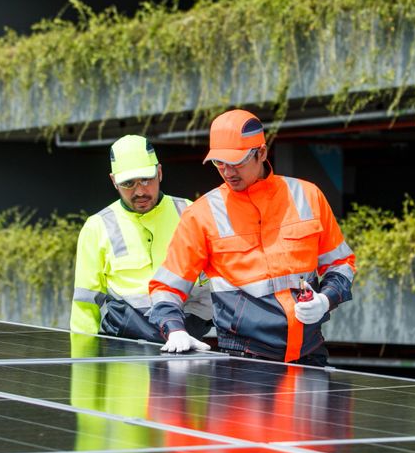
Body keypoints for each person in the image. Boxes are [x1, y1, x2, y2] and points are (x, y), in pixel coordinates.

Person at [148, 109, 355, 366]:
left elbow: (341, 264)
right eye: (219, 163)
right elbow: (166, 287)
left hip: (309, 353)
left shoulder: (308, 195)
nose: (227, 171)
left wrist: (326, 300)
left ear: (262, 153)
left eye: (237, 162)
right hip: (242, 361)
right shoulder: (201, 214)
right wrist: (174, 328)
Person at [70, 134, 212, 344]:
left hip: (189, 339)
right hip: (125, 348)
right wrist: (83, 363)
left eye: (146, 179)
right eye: (128, 183)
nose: (140, 191)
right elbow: (85, 305)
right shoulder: (97, 227)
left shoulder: (190, 213)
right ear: (113, 181)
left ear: (160, 172)